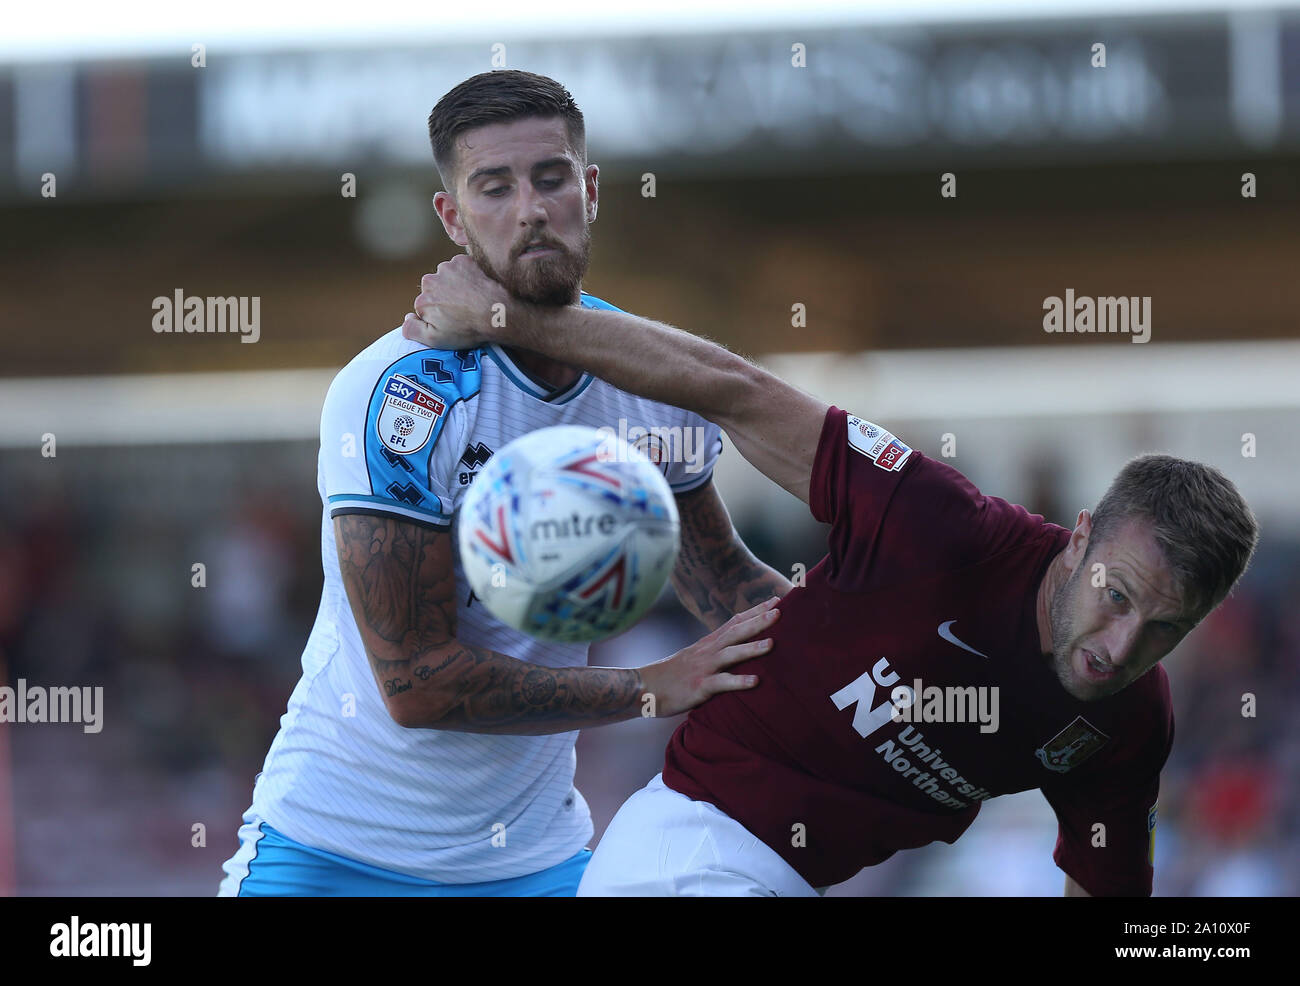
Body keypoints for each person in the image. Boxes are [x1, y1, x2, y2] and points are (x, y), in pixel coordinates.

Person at [401, 254, 1260, 897]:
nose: (1121, 647)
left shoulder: (1131, 725)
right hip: (691, 851)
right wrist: (510, 317)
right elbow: (730, 389)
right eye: (1117, 598)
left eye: (1163, 630)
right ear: (1077, 542)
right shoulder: (940, 525)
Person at [218, 70, 791, 897]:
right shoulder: (400, 393)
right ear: (453, 218)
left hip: (532, 863)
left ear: (589, 192)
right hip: (332, 850)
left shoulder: (648, 381)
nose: (530, 208)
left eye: (551, 178)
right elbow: (416, 683)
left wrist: (885, 649)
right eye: (495, 186)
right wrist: (646, 689)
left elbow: (723, 582)